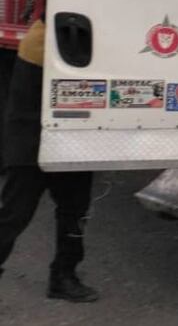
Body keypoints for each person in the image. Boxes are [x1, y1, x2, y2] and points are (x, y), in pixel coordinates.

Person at [0, 16, 98, 302]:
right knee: (16, 212)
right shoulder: (45, 41)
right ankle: (63, 277)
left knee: (74, 210)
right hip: (35, 139)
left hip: (73, 136)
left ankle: (64, 277)